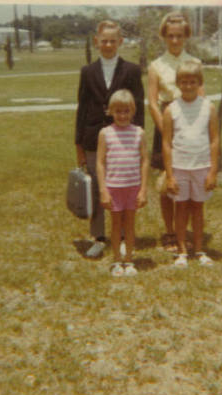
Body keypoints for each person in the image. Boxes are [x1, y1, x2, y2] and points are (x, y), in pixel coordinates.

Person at [75, 20, 144, 258]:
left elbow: (139, 108)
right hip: (94, 138)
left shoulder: (132, 71)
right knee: (97, 187)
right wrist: (79, 144)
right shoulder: (87, 72)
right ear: (96, 41)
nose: (107, 45)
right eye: (103, 40)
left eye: (112, 41)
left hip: (124, 139)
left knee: (123, 187)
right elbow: (82, 108)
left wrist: (139, 142)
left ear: (120, 42)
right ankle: (98, 236)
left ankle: (123, 235)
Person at [148, 11, 203, 253]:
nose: (175, 41)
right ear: (164, 36)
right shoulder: (156, 65)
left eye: (179, 36)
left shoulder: (195, 63)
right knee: (166, 182)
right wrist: (166, 131)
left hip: (191, 124)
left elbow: (201, 98)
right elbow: (151, 101)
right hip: (166, 122)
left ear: (186, 36)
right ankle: (170, 232)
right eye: (170, 36)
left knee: (188, 179)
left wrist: (193, 130)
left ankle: (185, 231)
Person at [162, 60, 219, 267]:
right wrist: (169, 175)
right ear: (178, 83)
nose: (188, 86)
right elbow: (167, 143)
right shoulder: (171, 109)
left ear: (199, 82)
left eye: (192, 82)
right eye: (183, 82)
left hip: (201, 166)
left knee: (197, 209)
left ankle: (199, 249)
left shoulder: (208, 107)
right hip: (179, 167)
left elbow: (214, 139)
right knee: (181, 208)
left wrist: (212, 171)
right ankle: (182, 252)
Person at [96, 90, 148, 276]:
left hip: (132, 187)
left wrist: (143, 189)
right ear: (111, 111)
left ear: (132, 111)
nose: (122, 115)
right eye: (118, 111)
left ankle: (129, 260)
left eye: (126, 111)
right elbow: (100, 163)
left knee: (130, 225)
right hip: (114, 187)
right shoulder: (105, 133)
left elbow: (144, 160)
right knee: (116, 225)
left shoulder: (138, 133)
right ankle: (117, 260)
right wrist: (103, 189)